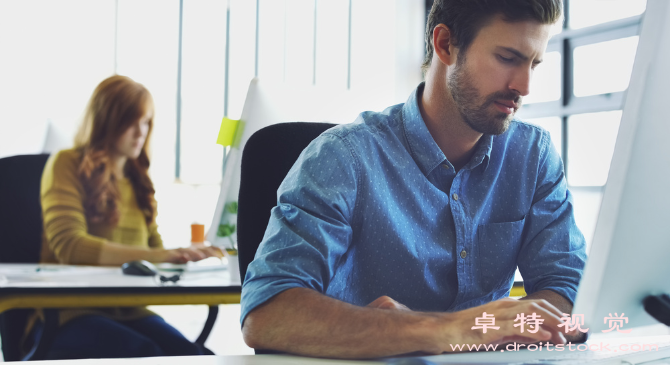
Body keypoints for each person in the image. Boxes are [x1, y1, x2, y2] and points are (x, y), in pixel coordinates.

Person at [241, 0, 588, 359]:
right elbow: (267, 313)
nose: (525, 85)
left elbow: (569, 286)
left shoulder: (532, 155)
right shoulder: (344, 157)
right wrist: (443, 330)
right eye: (507, 58)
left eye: (534, 63)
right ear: (445, 45)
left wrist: (516, 322)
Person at [30, 75, 222, 359]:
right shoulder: (65, 164)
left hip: (129, 311)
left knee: (194, 355)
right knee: (146, 353)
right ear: (107, 120)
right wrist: (168, 255)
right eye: (131, 121)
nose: (140, 132)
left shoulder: (138, 180)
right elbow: (71, 246)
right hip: (68, 313)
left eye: (145, 122)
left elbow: (155, 252)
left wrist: (187, 257)